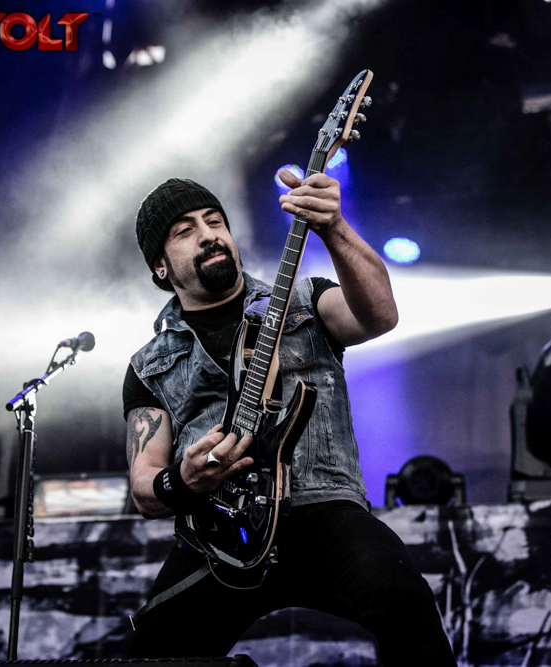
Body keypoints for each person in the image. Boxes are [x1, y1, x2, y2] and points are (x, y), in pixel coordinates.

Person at [123, 171, 456, 665]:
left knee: (405, 601)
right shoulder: (149, 365)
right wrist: (184, 479)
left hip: (324, 511)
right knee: (151, 652)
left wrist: (334, 227)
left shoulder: (305, 300)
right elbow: (144, 486)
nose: (209, 234)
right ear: (160, 267)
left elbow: (381, 315)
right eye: (185, 231)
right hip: (219, 535)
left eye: (215, 221)